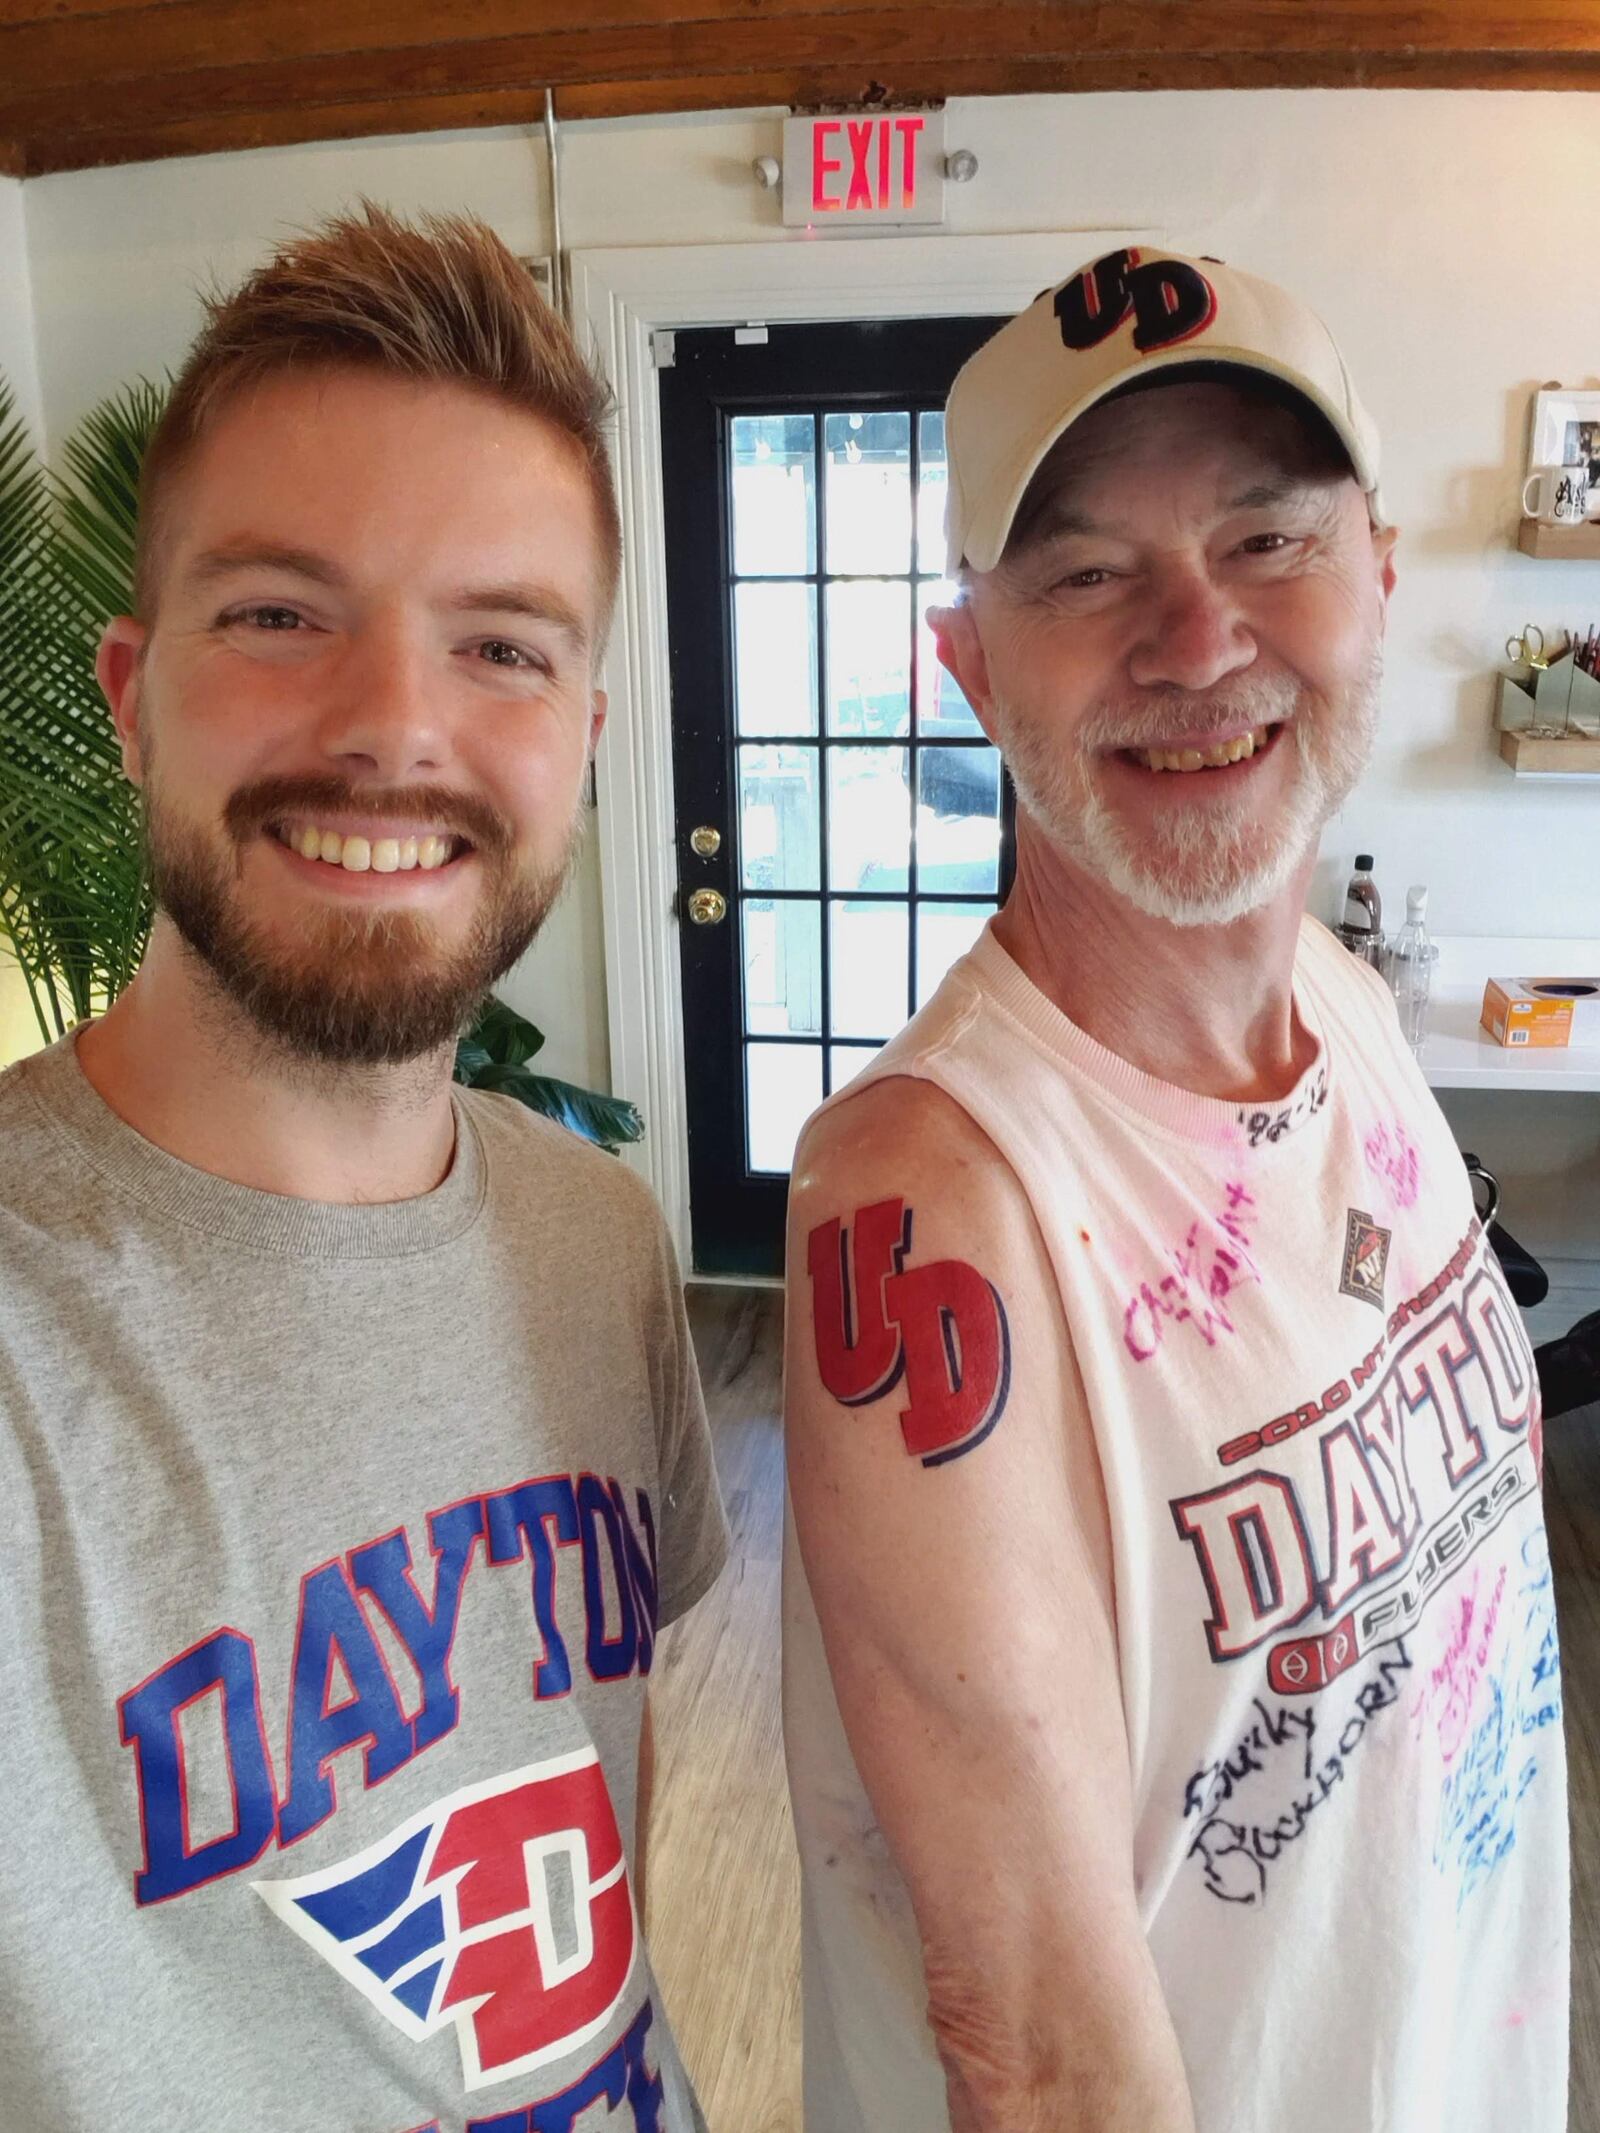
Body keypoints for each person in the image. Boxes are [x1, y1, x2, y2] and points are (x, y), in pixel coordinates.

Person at [782, 247, 1566, 2133]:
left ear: (1380, 575)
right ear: (964, 663)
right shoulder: (930, 1206)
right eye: (1084, 573)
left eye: (1265, 541)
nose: (1197, 640)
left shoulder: (1354, 1016)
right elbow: (1041, 2054)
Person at [0, 207, 728, 2133]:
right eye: (279, 613)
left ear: (582, 732)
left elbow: (592, 1785)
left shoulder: (596, 1235)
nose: (395, 726)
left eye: (500, 643)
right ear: (132, 688)